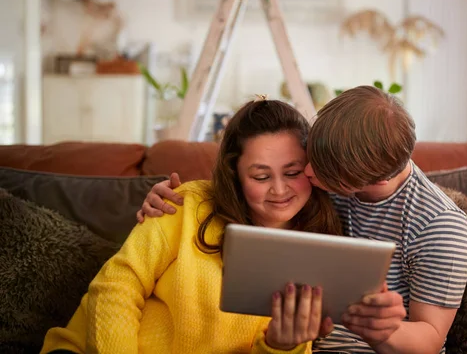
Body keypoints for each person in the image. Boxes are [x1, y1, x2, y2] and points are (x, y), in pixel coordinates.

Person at [139, 85, 467, 354]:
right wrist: (177, 198)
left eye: (325, 173)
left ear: (377, 179)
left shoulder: (440, 227)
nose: (309, 173)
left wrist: (381, 330)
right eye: (310, 156)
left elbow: (429, 339)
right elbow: (255, 179)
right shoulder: (323, 176)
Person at [41, 98, 341, 354]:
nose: (279, 189)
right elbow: (116, 286)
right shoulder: (187, 203)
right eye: (261, 177)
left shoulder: (321, 243)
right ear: (234, 175)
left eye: (292, 172)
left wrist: (281, 346)